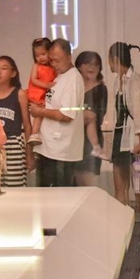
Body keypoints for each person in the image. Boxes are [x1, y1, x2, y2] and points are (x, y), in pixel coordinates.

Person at [29, 39, 84, 187]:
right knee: (45, 198)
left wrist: (39, 111)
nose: (54, 64)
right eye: (51, 60)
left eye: (57, 60)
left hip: (60, 151)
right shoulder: (58, 76)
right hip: (48, 148)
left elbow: (66, 115)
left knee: (58, 198)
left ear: (69, 56)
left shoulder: (73, 78)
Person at [0, 55, 32, 186]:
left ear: (13, 73)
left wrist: (30, 153)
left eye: (4, 68)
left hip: (13, 144)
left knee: (15, 185)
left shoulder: (20, 94)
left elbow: (27, 125)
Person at [107, 42, 140, 207]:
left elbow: (138, 113)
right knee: (119, 185)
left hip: (132, 138)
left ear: (115, 59)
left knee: (138, 186)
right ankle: (122, 222)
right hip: (120, 135)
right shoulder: (117, 81)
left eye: (109, 59)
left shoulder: (135, 80)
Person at [73, 51, 109, 187]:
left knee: (87, 184)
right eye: (87, 63)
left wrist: (73, 117)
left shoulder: (101, 89)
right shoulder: (73, 87)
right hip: (73, 139)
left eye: (96, 64)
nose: (91, 67)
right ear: (79, 66)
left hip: (90, 142)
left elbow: (95, 116)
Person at [26, 37, 56, 146]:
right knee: (38, 114)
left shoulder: (53, 68)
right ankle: (34, 133)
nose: (40, 58)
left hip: (46, 96)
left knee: (44, 114)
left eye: (43, 54)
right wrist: (46, 85)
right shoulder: (36, 66)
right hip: (37, 93)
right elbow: (34, 79)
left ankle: (39, 134)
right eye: (37, 55)